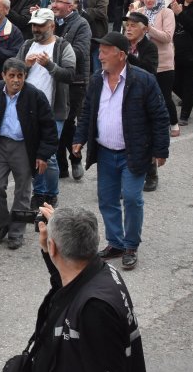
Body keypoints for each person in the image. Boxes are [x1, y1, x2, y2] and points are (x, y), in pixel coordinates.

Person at [1, 205, 146, 372]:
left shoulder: (94, 308)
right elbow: (67, 286)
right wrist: (51, 247)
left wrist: (55, 240)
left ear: (53, 247)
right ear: (96, 239)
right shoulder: (100, 272)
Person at [72, 31, 169, 271]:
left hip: (133, 152)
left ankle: (130, 246)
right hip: (105, 151)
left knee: (133, 198)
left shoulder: (143, 80)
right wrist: (79, 139)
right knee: (107, 199)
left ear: (121, 55)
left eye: (105, 51)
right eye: (100, 51)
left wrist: (161, 150)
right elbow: (87, 112)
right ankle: (115, 243)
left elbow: (160, 116)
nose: (100, 56)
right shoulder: (97, 80)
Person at [0, 58, 58, 250]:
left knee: (23, 191)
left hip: (24, 146)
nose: (16, 80)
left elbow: (49, 128)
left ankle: (17, 233)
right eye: (11, 76)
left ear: (25, 76)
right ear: (3, 76)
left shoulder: (35, 95)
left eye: (20, 76)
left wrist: (42, 155)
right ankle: (3, 224)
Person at [17, 8, 75, 206]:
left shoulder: (63, 46)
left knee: (48, 155)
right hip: (28, 109)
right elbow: (13, 71)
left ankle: (51, 193)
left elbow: (70, 75)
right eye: (34, 25)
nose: (36, 29)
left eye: (40, 25)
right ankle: (39, 192)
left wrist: (49, 65)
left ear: (52, 25)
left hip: (53, 111)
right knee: (33, 153)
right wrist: (24, 66)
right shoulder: (27, 45)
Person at [50, 0, 91, 181]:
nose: (54, 5)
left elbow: (80, 52)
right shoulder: (50, 21)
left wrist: (53, 51)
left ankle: (75, 158)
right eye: (53, 0)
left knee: (66, 122)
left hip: (75, 82)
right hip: (53, 78)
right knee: (55, 121)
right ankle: (61, 166)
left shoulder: (81, 24)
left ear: (70, 6)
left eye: (59, 1)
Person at [136, 0, 179, 138]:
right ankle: (151, 125)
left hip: (163, 61)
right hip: (144, 60)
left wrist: (149, 28)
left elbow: (167, 37)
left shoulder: (166, 12)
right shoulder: (140, 12)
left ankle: (173, 123)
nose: (148, 0)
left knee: (164, 96)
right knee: (144, 96)